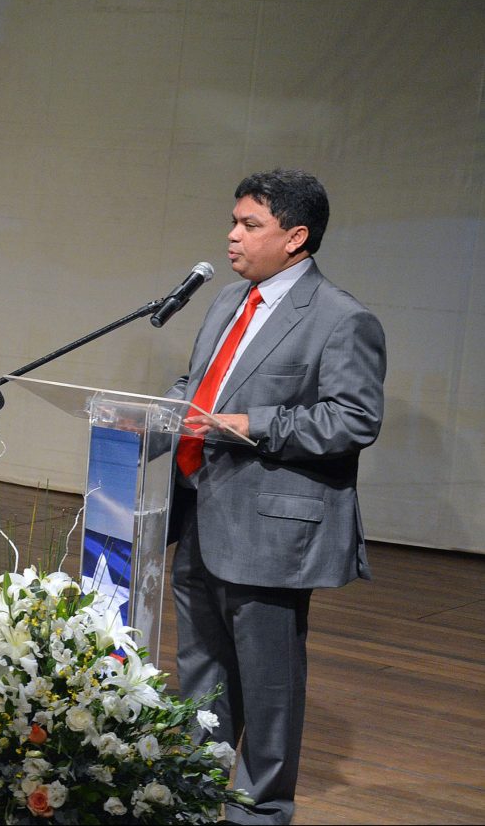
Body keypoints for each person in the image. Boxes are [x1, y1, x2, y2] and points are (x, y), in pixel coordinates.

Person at [165, 169, 385, 825]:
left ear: (296, 237)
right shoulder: (229, 301)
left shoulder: (343, 319)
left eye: (249, 225)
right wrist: (151, 414)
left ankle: (260, 811)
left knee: (267, 684)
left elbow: (353, 420)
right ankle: (193, 795)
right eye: (233, 221)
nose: (232, 235)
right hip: (201, 509)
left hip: (270, 530)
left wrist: (254, 424)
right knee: (200, 673)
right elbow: (199, 387)